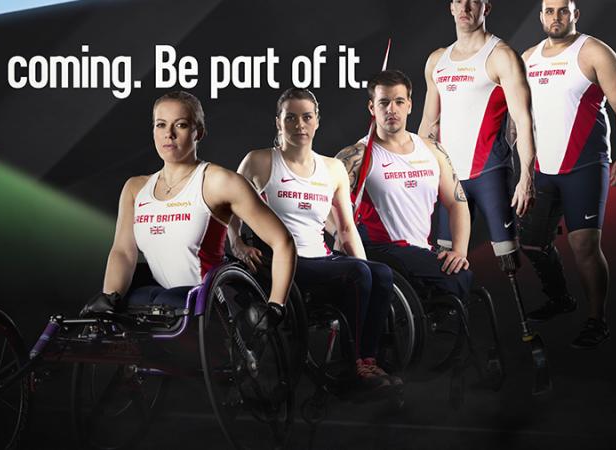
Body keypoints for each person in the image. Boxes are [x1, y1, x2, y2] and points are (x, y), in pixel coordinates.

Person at [228, 88, 400, 392]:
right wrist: (238, 244)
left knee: (380, 273)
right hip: (281, 264)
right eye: (290, 118)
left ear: (317, 121)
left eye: (307, 117)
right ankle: (356, 366)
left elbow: (346, 230)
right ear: (278, 123)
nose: (299, 125)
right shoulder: (258, 161)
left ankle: (368, 359)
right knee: (360, 273)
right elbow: (229, 211)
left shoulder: (332, 169)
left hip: (319, 258)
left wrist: (367, 275)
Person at [81, 91, 295, 330]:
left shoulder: (219, 182)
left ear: (198, 132)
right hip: (163, 305)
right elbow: (123, 252)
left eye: (180, 125)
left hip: (209, 304)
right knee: (125, 306)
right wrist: (110, 298)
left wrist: (275, 307)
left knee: (164, 302)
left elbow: (282, 240)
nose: (168, 134)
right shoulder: (135, 188)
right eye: (160, 125)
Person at [519, 0, 616, 348]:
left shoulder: (594, 52)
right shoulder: (528, 57)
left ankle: (596, 318)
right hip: (542, 168)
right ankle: (560, 298)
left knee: (583, 244)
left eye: (563, 10)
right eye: (549, 11)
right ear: (541, 16)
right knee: (530, 241)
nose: (556, 17)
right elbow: (518, 111)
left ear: (575, 14)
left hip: (585, 166)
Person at [336, 70, 473, 300]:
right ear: (372, 108)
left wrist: (459, 251)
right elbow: (325, 203)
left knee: (461, 272)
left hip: (420, 249)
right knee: (458, 279)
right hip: (380, 250)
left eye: (399, 101)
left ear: (409, 105)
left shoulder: (432, 150)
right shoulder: (356, 156)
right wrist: (343, 239)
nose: (392, 109)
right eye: (384, 102)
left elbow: (457, 202)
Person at [418, 0, 535, 267]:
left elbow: (524, 121)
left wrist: (526, 178)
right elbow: (428, 122)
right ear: (451, 7)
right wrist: (418, 172)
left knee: (508, 260)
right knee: (445, 258)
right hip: (451, 179)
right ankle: (454, 309)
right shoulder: (437, 60)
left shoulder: (502, 56)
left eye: (473, 1)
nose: (465, 7)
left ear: (486, 7)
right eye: (459, 1)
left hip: (490, 174)